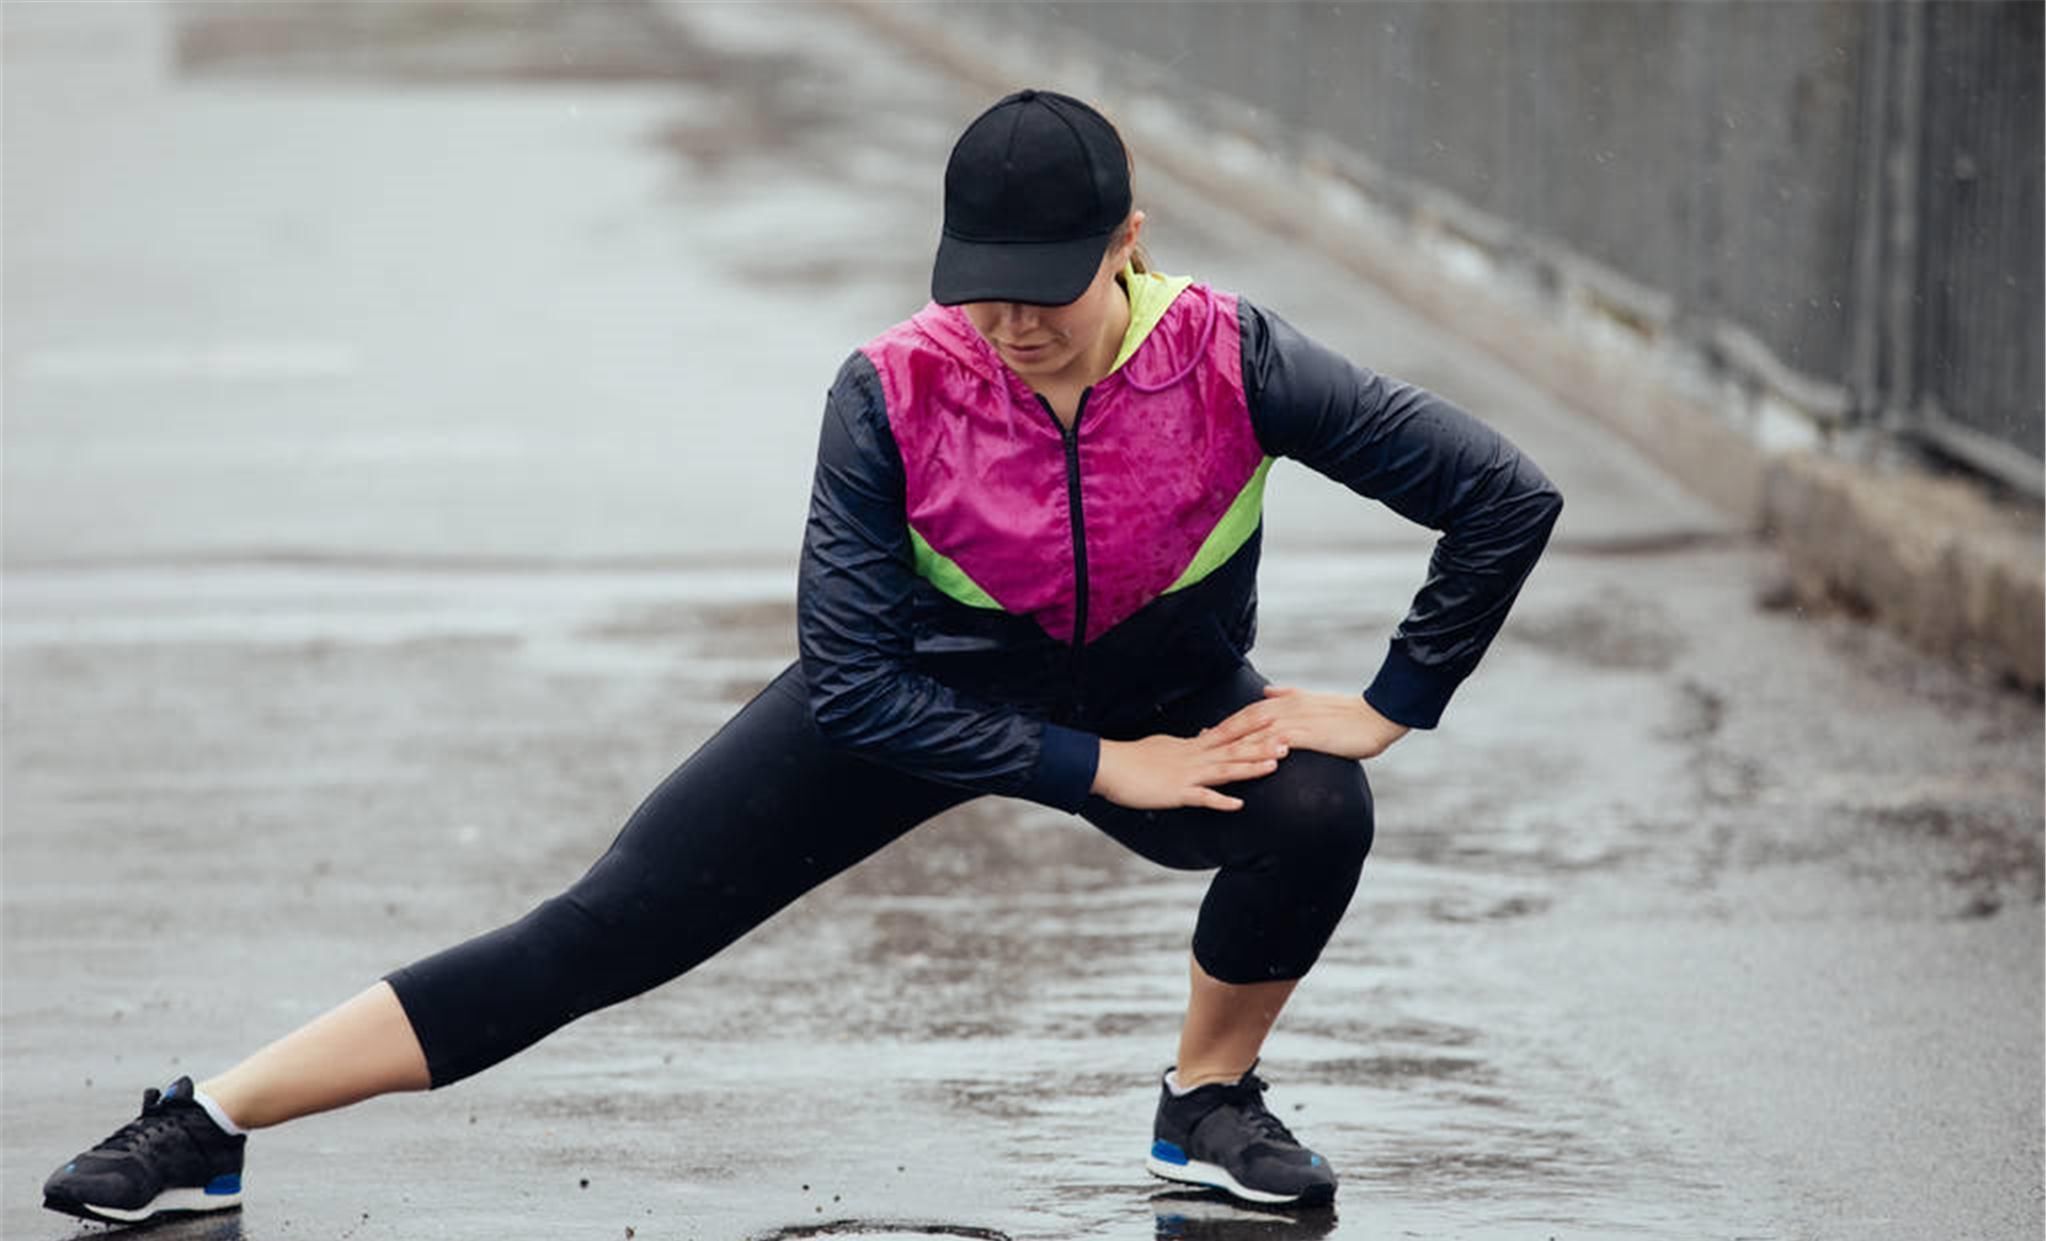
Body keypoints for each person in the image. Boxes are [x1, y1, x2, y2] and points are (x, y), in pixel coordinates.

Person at [42, 88, 1561, 1225]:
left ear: (1128, 244)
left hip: (1156, 688)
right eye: (981, 281)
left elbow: (1499, 493)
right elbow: (851, 683)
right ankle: (209, 1118)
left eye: (1049, 283)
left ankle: (1204, 1103)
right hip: (913, 701)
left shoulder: (1231, 356)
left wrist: (1386, 704)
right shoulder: (892, 388)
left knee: (1314, 803)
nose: (1010, 320)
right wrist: (1100, 765)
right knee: (601, 932)